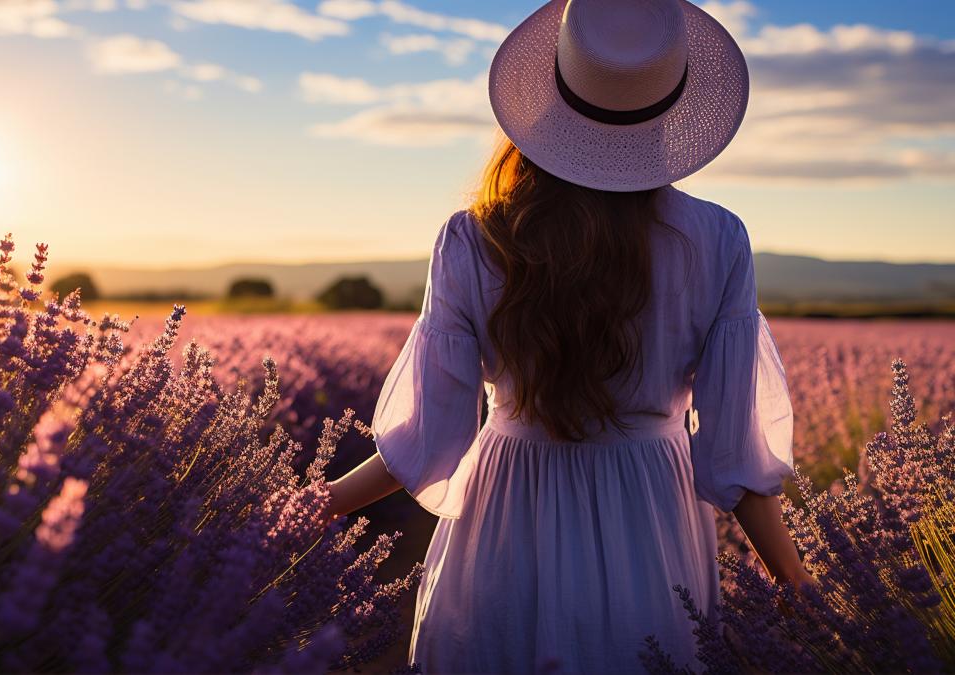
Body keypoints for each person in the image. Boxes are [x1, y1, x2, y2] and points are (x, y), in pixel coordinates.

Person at [322, 0, 815, 672]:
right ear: (670, 107)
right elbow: (734, 456)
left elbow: (426, 440)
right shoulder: (719, 239)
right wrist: (800, 586)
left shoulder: (474, 238)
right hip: (650, 529)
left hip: (502, 524)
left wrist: (305, 509)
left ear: (547, 102)